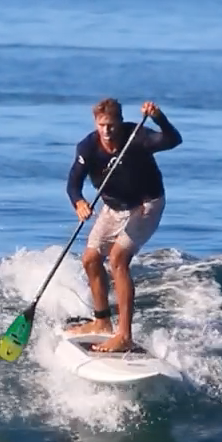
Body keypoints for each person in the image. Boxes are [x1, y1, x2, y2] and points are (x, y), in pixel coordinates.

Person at [64, 97, 182, 352]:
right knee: (90, 259)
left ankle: (124, 335)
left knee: (118, 259)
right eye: (102, 125)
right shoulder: (87, 147)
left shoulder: (136, 137)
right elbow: (73, 184)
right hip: (113, 207)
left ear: (120, 122)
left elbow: (173, 140)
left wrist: (158, 118)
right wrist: (79, 203)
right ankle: (102, 321)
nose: (107, 131)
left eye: (112, 125)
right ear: (96, 123)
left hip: (145, 206)